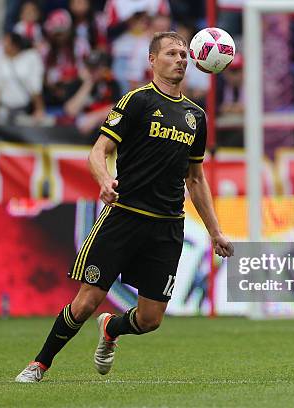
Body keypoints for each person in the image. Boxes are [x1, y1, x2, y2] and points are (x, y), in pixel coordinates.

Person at [15, 31, 234, 382]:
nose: (180, 59)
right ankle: (39, 364)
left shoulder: (196, 117)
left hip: (167, 226)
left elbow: (195, 179)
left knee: (150, 320)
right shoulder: (137, 101)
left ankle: (111, 330)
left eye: (183, 54)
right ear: (152, 60)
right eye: (171, 53)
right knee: (87, 301)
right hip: (125, 216)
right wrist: (104, 181)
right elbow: (98, 151)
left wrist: (215, 231)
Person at [0, 33, 45, 124]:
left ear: (15, 45)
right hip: (4, 110)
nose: (3, 46)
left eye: (6, 43)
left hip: (25, 111)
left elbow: (35, 86)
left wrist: (39, 109)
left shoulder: (31, 57)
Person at [60, 50, 121, 134]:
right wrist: (88, 83)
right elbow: (71, 111)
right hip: (78, 133)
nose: (91, 71)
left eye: (96, 68)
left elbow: (117, 108)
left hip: (103, 129)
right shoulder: (76, 84)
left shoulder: (112, 83)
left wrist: (95, 117)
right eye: (89, 67)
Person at [42, 9, 78, 106]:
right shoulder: (45, 49)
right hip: (51, 91)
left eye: (62, 33)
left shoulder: (79, 46)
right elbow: (43, 76)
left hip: (74, 89)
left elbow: (83, 72)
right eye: (56, 34)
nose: (59, 37)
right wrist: (54, 88)